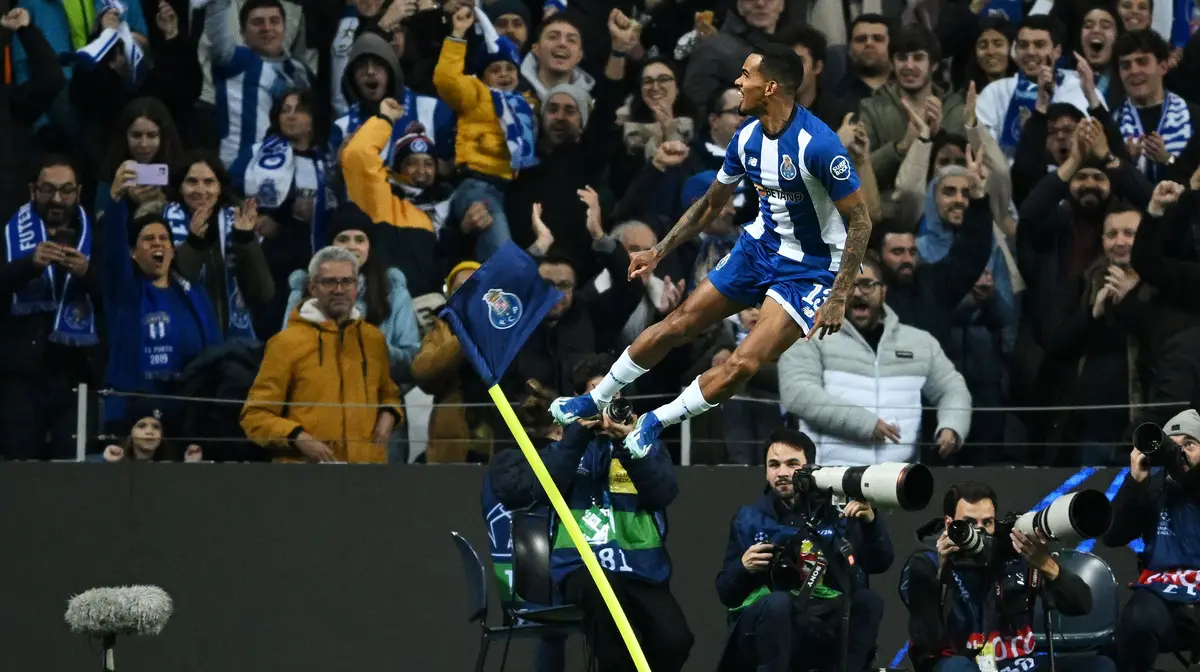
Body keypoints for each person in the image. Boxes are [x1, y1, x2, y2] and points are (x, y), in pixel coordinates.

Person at [549, 42, 874, 458]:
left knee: (743, 363)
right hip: (760, 247)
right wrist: (660, 251)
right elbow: (709, 205)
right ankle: (597, 398)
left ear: (771, 87)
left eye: (746, 76)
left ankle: (656, 420)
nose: (738, 82)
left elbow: (861, 221)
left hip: (809, 270)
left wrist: (840, 295)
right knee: (680, 321)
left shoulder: (820, 146)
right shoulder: (747, 138)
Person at [488, 372, 693, 672]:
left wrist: (628, 446)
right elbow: (541, 490)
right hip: (580, 567)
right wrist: (578, 435)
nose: (608, 402)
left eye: (615, 394)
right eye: (599, 395)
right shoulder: (562, 449)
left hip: (641, 568)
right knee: (606, 608)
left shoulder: (645, 445)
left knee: (676, 641)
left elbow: (663, 493)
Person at [716, 428, 891, 672]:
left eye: (792, 463)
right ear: (765, 472)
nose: (783, 473)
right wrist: (743, 568)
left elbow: (879, 563)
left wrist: (871, 523)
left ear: (811, 468)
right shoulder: (748, 519)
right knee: (778, 602)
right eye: (774, 465)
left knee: (868, 601)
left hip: (820, 620)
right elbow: (726, 593)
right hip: (766, 628)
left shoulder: (835, 511)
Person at [900, 481, 1115, 672]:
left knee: (1101, 666)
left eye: (987, 522)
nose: (980, 531)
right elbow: (926, 640)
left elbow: (1081, 605)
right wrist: (940, 577)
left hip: (1020, 664)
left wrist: (1046, 565)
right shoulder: (927, 562)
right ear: (949, 524)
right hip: (963, 665)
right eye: (969, 522)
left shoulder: (1014, 551)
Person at [778, 255, 971, 465]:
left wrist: (951, 426)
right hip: (831, 475)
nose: (858, 292)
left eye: (867, 284)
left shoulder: (919, 342)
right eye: (848, 286)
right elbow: (797, 393)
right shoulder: (810, 336)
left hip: (899, 480)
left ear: (884, 291)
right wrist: (866, 424)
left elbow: (952, 388)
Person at [240, 245, 403, 463]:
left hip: (367, 478)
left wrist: (389, 414)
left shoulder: (373, 340)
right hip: (306, 481)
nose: (339, 289)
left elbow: (388, 393)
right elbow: (254, 416)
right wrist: (297, 436)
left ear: (357, 287)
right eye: (329, 281)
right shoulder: (285, 343)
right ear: (313, 287)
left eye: (347, 281)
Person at [0, 156, 101, 460]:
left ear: (79, 193)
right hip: (19, 374)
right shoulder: (8, 229)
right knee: (19, 469)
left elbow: (119, 297)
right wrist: (28, 265)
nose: (57, 199)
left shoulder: (96, 233)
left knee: (73, 471)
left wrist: (87, 273)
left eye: (67, 190)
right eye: (48, 189)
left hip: (76, 374)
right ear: (33, 190)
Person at [1103, 408, 1200, 672]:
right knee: (1135, 622)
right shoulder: (1154, 488)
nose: (1179, 451)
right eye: (1173, 444)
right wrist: (1136, 483)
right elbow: (1112, 536)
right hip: (1164, 593)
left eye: (1189, 444)